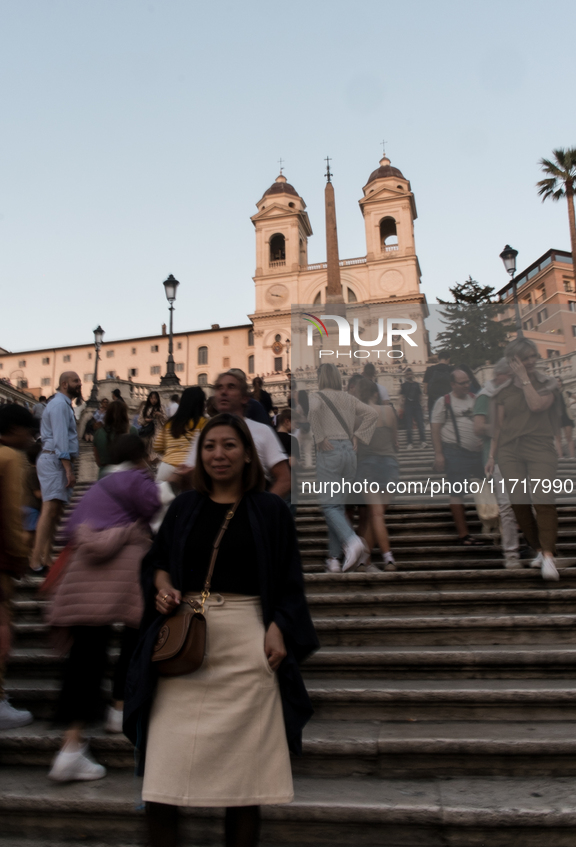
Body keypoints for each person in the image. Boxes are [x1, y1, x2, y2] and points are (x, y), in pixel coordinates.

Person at [124, 414, 319, 847]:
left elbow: (290, 582)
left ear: (248, 453)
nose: (218, 454)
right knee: (163, 779)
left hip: (247, 644)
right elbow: (156, 561)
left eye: (230, 445)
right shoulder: (184, 507)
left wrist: (279, 626)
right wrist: (162, 587)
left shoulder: (271, 510)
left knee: (243, 787)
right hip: (184, 643)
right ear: (200, 455)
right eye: (210, 446)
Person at [47, 434, 161, 782]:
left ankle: (71, 745)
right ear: (142, 457)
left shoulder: (99, 487)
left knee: (85, 658)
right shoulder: (138, 480)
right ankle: (118, 708)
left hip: (83, 575)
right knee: (134, 636)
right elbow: (154, 508)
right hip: (123, 573)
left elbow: (68, 529)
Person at [488, 339, 560, 581]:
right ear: (513, 361)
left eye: (533, 357)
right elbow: (498, 427)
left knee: (543, 500)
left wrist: (525, 380)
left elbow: (537, 405)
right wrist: (491, 456)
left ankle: (549, 556)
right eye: (524, 358)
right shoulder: (502, 392)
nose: (530, 362)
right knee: (518, 504)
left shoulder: (547, 383)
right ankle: (538, 550)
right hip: (509, 451)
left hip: (540, 446)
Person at [308, 363, 377, 573]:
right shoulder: (348, 398)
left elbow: (312, 413)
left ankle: (352, 541)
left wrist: (319, 437)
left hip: (330, 451)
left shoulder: (316, 396)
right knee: (336, 507)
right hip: (349, 451)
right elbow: (372, 414)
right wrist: (359, 436)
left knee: (330, 507)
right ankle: (334, 560)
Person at [0, 404, 36, 730]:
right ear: (14, 430)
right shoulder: (11, 458)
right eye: (28, 431)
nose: (32, 437)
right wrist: (20, 555)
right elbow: (13, 514)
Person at [31, 372, 81, 573]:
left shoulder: (63, 404)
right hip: (54, 460)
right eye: (76, 381)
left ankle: (46, 556)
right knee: (50, 509)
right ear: (64, 384)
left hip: (55, 460)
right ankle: (35, 560)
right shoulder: (60, 405)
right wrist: (68, 468)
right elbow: (60, 438)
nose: (80, 384)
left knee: (55, 511)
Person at [473, 359, 521, 568]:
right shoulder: (485, 396)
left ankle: (538, 549)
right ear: (499, 375)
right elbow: (478, 428)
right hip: (498, 458)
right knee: (507, 506)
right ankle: (511, 553)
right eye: (510, 376)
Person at [214, 372, 290, 497]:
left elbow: (285, 479)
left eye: (231, 387)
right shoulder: (204, 432)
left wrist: (261, 508)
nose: (223, 392)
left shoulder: (262, 431)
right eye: (219, 387)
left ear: (245, 398)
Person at [431, 369, 484, 545]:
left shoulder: (476, 399)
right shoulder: (444, 401)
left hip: (478, 453)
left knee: (491, 487)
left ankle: (494, 525)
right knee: (457, 491)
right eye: (462, 383)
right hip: (455, 451)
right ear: (452, 384)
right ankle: (464, 534)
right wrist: (439, 454)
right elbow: (435, 427)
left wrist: (485, 439)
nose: (466, 385)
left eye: (468, 381)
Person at [355, 379, 398, 572]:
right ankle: (365, 560)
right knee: (378, 514)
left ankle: (387, 558)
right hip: (389, 464)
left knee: (376, 514)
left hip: (367, 466)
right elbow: (395, 442)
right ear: (375, 393)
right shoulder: (388, 412)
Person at [153, 387, 207, 491]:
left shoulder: (170, 423)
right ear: (201, 403)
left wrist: (172, 450)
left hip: (166, 468)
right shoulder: (203, 423)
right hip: (190, 470)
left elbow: (157, 446)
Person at [93, 399, 135, 478]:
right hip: (126, 477)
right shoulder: (132, 431)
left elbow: (98, 462)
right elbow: (137, 459)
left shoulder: (99, 433)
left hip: (104, 477)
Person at [22, 442, 42, 555]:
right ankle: (27, 552)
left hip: (27, 505)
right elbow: (37, 493)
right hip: (32, 507)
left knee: (30, 531)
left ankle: (30, 551)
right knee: (30, 532)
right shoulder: (34, 473)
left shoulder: (29, 471)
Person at [400, 368, 426, 450]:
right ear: (406, 376)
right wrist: (401, 406)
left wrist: (423, 405)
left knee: (420, 423)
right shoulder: (403, 385)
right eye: (408, 374)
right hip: (408, 406)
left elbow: (420, 395)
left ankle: (423, 441)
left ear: (412, 375)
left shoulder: (416, 384)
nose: (409, 376)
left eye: (410, 374)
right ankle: (409, 442)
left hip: (417, 405)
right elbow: (402, 397)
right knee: (408, 425)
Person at [555, 378, 576, 459]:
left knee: (569, 436)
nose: (558, 383)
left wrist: (570, 403)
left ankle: (572, 456)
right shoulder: (552, 393)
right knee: (558, 438)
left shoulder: (566, 392)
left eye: (559, 381)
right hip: (557, 417)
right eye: (556, 381)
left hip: (566, 416)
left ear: (561, 382)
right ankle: (561, 456)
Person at [423, 352, 453, 418]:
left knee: (434, 423)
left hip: (433, 402)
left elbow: (425, 390)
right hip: (447, 401)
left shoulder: (430, 369)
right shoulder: (452, 370)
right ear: (448, 359)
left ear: (438, 359)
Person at [138, 392, 166, 461]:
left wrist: (160, 415)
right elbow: (140, 420)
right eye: (152, 398)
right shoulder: (145, 408)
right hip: (148, 433)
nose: (153, 400)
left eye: (155, 398)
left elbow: (166, 420)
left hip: (158, 432)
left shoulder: (161, 407)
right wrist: (146, 420)